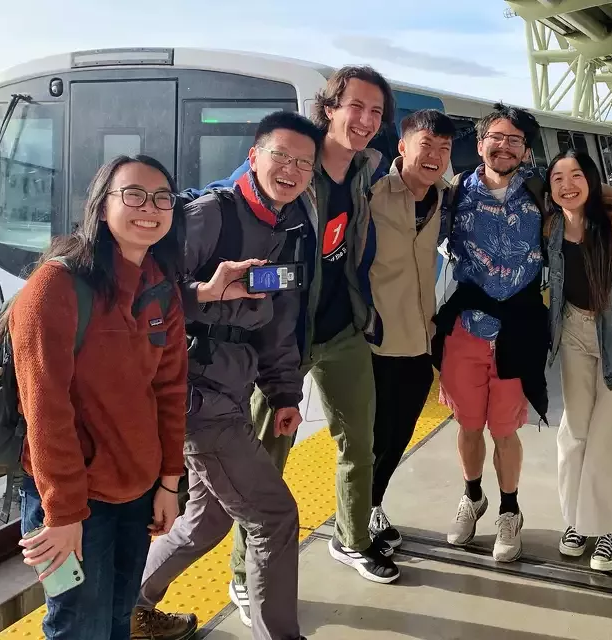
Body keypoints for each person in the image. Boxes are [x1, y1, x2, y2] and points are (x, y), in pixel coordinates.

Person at [130, 111, 321, 640]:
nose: (291, 169)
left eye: (303, 163)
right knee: (274, 518)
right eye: (280, 155)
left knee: (206, 520)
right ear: (253, 155)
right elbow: (144, 297)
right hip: (197, 399)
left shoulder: (287, 226)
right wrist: (204, 294)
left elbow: (276, 322)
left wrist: (284, 392)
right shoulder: (210, 216)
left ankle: (129, 606)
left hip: (231, 393)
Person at [225, 66, 402, 618]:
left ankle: (352, 537)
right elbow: (230, 197)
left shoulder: (366, 168)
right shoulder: (293, 166)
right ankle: (241, 571)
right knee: (263, 458)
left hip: (342, 329)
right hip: (282, 339)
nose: (366, 121)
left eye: (376, 112)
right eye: (357, 107)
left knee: (360, 441)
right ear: (329, 108)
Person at [11, 155, 188, 639]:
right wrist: (63, 514)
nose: (148, 207)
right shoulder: (56, 287)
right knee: (78, 628)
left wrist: (169, 482)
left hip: (137, 491)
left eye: (162, 198)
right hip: (74, 498)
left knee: (117, 621)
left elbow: (170, 392)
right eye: (132, 194)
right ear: (101, 205)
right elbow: (44, 409)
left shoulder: (160, 288)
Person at [431, 103, 551, 563]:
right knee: (467, 423)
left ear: (526, 149)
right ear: (480, 143)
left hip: (518, 330)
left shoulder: (542, 194)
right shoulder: (455, 193)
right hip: (467, 327)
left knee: (504, 429)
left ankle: (509, 510)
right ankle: (472, 495)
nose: (503, 147)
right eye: (495, 138)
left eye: (514, 140)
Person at [543, 149, 612, 572]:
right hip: (574, 333)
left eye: (575, 175)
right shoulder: (551, 228)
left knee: (605, 440)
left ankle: (607, 527)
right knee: (575, 434)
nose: (567, 185)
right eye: (557, 178)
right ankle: (576, 521)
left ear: (590, 179)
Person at [366, 109, 454, 549]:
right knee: (371, 436)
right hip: (375, 342)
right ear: (402, 147)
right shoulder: (371, 195)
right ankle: (356, 520)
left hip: (420, 341)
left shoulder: (445, 197)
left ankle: (372, 505)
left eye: (444, 149)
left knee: (397, 435)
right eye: (426, 145)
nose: (435, 156)